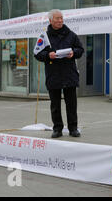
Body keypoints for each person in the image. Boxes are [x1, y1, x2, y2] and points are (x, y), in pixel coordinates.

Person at [34, 9, 84, 138]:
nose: (60, 20)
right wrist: (48, 55)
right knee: (55, 104)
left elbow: (80, 49)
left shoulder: (71, 34)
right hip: (53, 73)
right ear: (50, 20)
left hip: (69, 73)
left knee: (71, 104)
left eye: (61, 18)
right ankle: (57, 128)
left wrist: (74, 52)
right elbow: (37, 54)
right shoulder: (44, 36)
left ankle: (73, 128)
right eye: (57, 18)